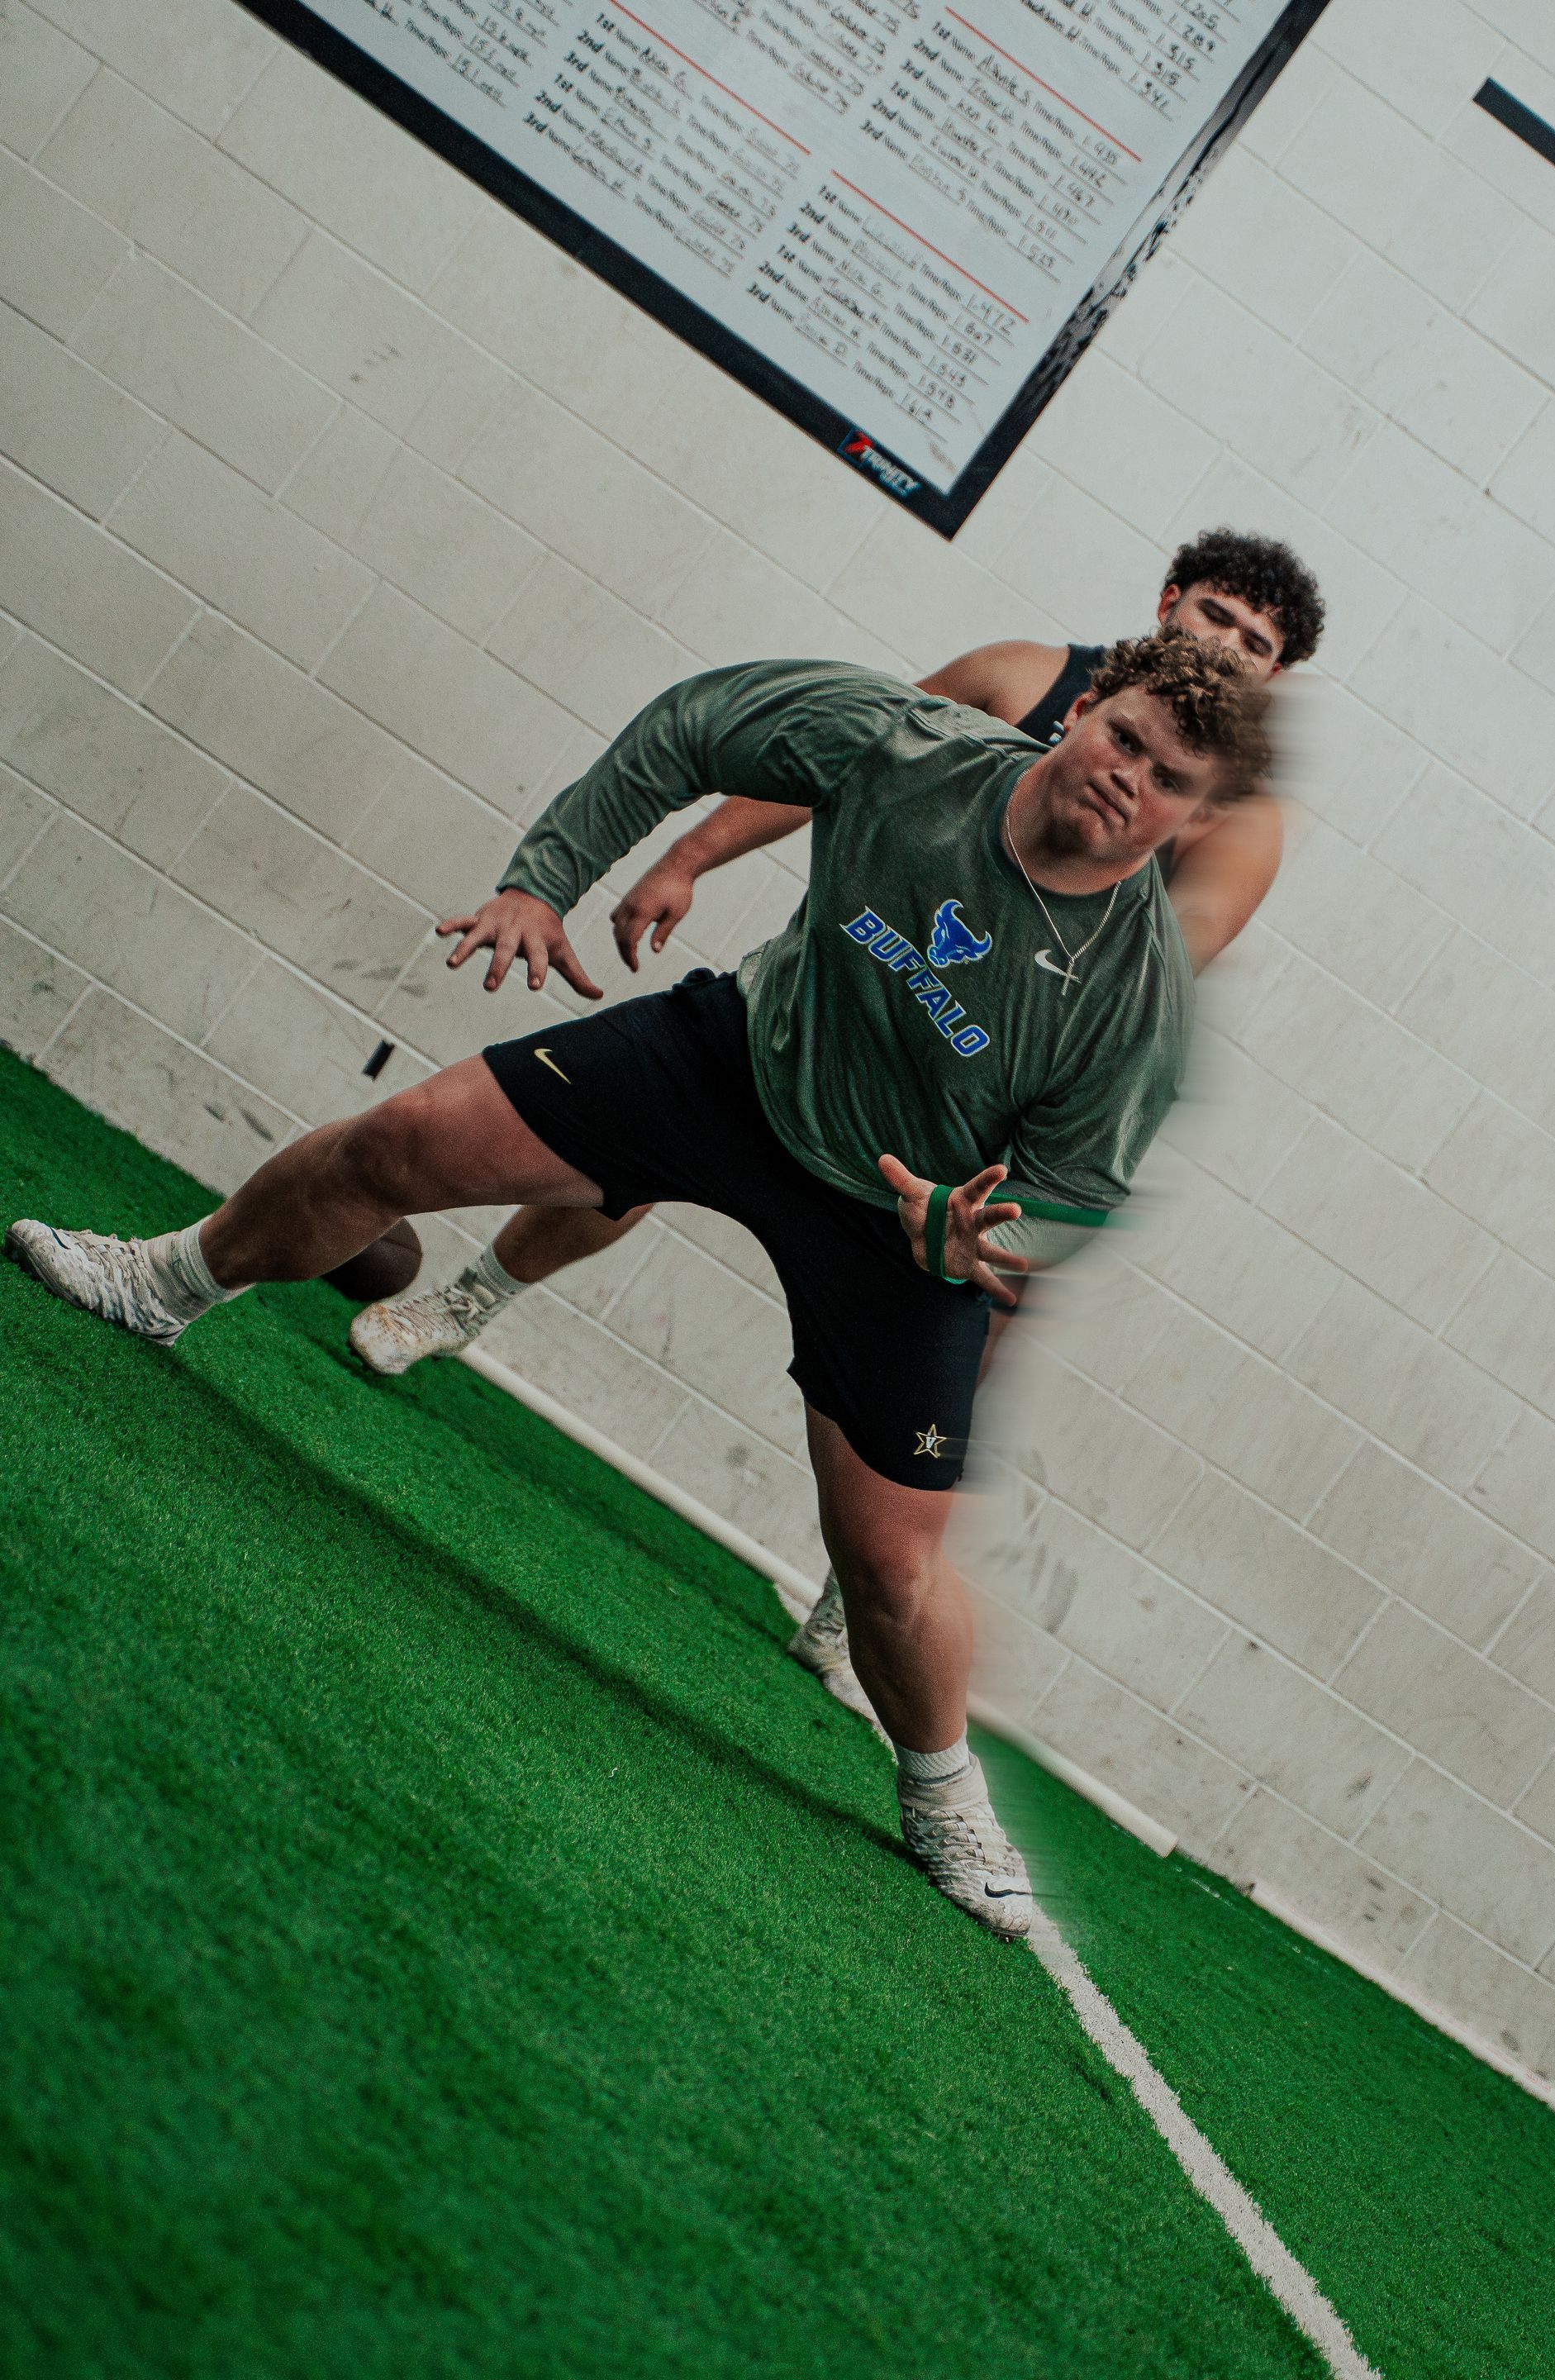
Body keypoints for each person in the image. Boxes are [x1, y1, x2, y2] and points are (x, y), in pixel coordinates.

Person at [7, 632, 1270, 1941]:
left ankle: (942, 1792)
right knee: (401, 1145)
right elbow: (692, 725)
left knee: (891, 1572)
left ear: (1195, 816)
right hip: (737, 1063)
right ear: (1084, 712)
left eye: (1170, 779)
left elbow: (1068, 1196)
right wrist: (545, 880)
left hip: (893, 1215)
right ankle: (161, 1281)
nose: (1131, 779)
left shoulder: (1137, 998)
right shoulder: (910, 748)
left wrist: (968, 1240)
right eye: (1122, 736)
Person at [348, 529, 1324, 1722]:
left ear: (1273, 681)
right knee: (638, 1153)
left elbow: (1158, 975)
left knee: (989, 1319)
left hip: (992, 1106)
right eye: (1216, 614)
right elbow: (831, 755)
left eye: (1253, 643)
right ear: (1169, 602)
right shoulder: (1023, 678)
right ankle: (468, 1300)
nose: (1222, 643)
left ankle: (851, 1599)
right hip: (840, 1004)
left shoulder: (1233, 822)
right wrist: (689, 855)